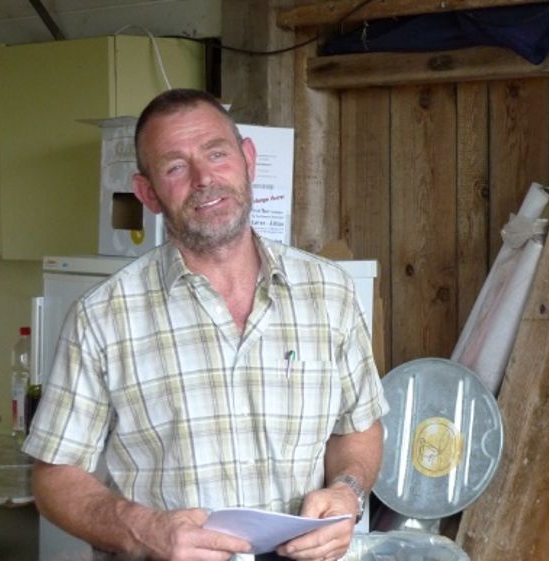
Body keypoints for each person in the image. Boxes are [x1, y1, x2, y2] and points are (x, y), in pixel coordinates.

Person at [23, 88, 389, 561]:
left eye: (217, 154)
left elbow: (358, 428)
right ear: (148, 193)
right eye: (175, 167)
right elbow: (54, 477)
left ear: (248, 160)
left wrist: (348, 493)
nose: (204, 179)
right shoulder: (104, 316)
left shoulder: (330, 293)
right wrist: (142, 529)